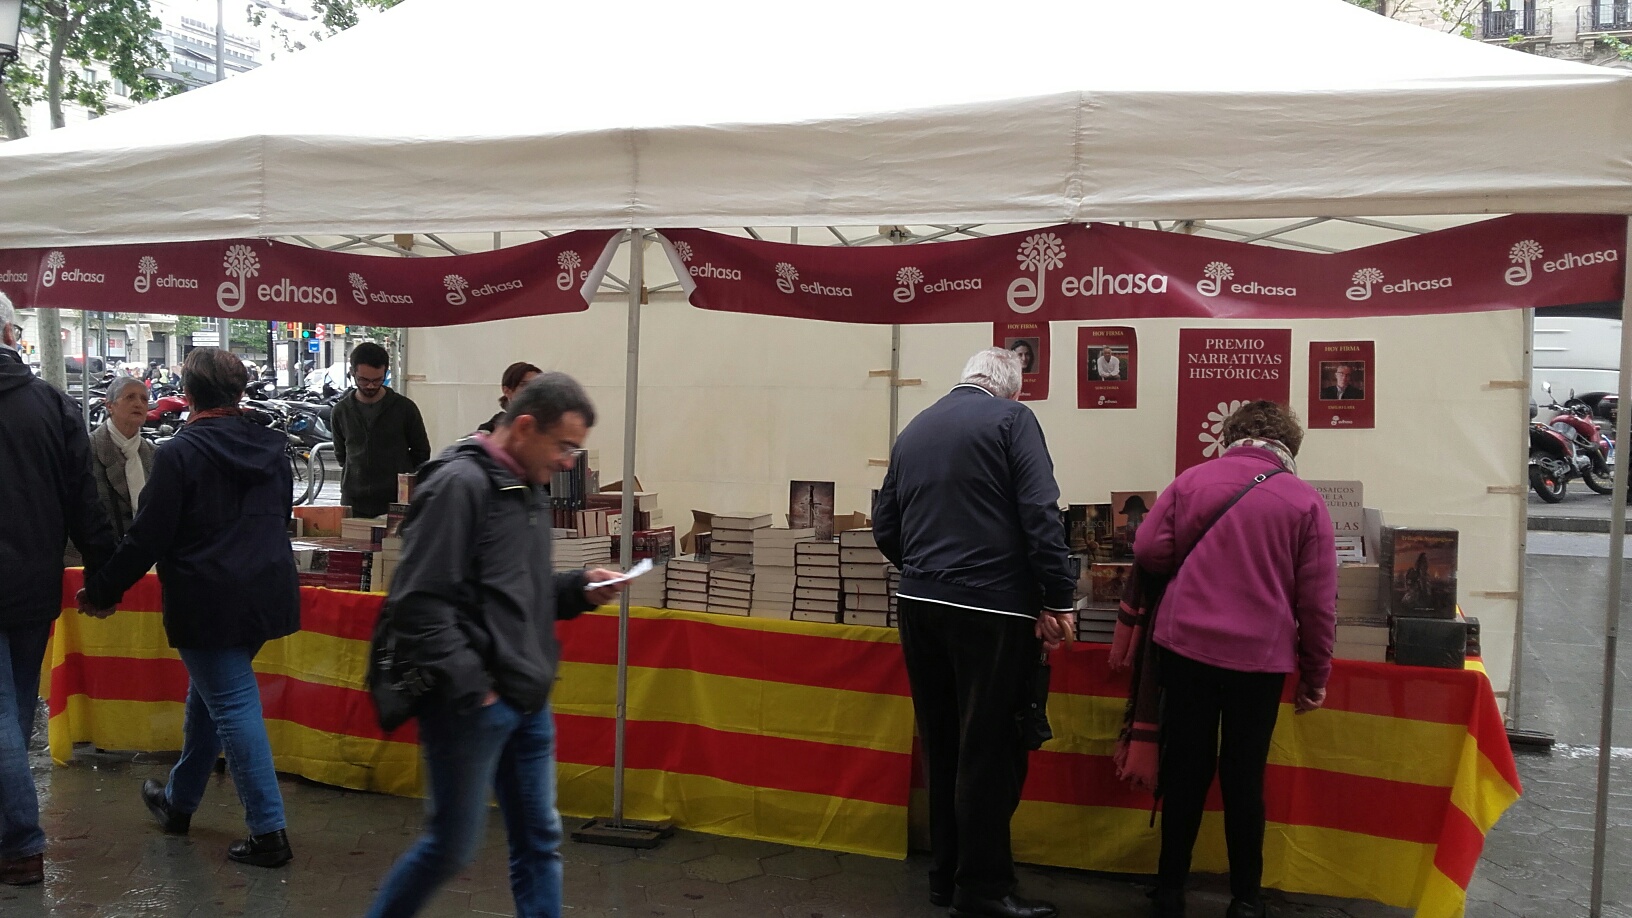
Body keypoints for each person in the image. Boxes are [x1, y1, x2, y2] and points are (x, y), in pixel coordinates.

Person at [365, 372, 625, 918]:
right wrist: (474, 687)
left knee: (539, 843)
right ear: (525, 426)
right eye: (565, 446)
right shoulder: (458, 485)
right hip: (473, 706)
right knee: (449, 848)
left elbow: (517, 594)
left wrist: (579, 588)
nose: (569, 462)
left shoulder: (524, 484)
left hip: (525, 699)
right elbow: (417, 602)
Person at [77, 347, 301, 869]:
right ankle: (178, 804)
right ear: (239, 392)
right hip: (265, 594)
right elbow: (281, 517)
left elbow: (146, 537)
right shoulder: (274, 447)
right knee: (212, 699)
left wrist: (104, 590)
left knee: (231, 704)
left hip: (208, 600)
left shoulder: (180, 453)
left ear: (190, 394)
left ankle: (269, 833)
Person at [872, 347, 1076, 918]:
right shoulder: (1014, 420)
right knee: (988, 751)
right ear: (1012, 389)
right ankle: (984, 889)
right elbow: (1041, 511)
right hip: (992, 609)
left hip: (918, 603)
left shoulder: (915, 427)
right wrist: (1058, 595)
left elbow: (886, 525)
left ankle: (946, 878)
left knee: (941, 744)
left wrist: (924, 568)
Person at [1132, 401, 1336, 918]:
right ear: (1289, 446)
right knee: (1245, 776)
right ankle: (1245, 898)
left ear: (1232, 435)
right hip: (1259, 660)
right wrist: (1315, 676)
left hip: (1185, 647)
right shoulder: (1306, 502)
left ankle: (1170, 888)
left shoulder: (1192, 480)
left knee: (1185, 768)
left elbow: (1150, 550)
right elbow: (1317, 602)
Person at [0, 293, 116, 886]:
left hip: (24, 587)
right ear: (11, 334)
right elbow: (84, 504)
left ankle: (20, 841)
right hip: (30, 588)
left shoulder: (53, 404)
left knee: (8, 715)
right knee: (14, 710)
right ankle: (12, 836)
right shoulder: (53, 406)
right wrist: (104, 577)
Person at [331, 342, 431, 518]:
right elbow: (341, 455)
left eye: (377, 380)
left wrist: (403, 476)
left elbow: (421, 452)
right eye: (363, 380)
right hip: (354, 500)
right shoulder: (341, 411)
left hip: (396, 500)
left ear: (385, 372)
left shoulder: (404, 408)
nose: (370, 386)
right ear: (352, 372)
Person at [89, 376, 156, 541]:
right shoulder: (87, 450)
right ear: (110, 406)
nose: (138, 403)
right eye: (130, 397)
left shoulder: (154, 455)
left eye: (144, 399)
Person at [477, 361, 542, 434]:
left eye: (536, 385)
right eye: (524, 385)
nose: (532, 390)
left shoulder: (550, 425)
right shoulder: (490, 429)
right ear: (507, 391)